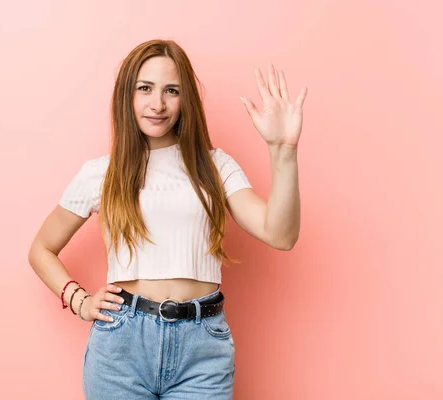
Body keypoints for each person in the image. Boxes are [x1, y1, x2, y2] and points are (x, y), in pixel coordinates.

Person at [28, 39, 307, 399]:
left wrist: (283, 151)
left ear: (185, 98)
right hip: (121, 345)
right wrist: (79, 300)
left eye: (171, 91)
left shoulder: (215, 166)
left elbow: (280, 234)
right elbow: (41, 249)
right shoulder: (102, 173)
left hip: (202, 346)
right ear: (127, 95)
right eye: (145, 88)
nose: (157, 104)